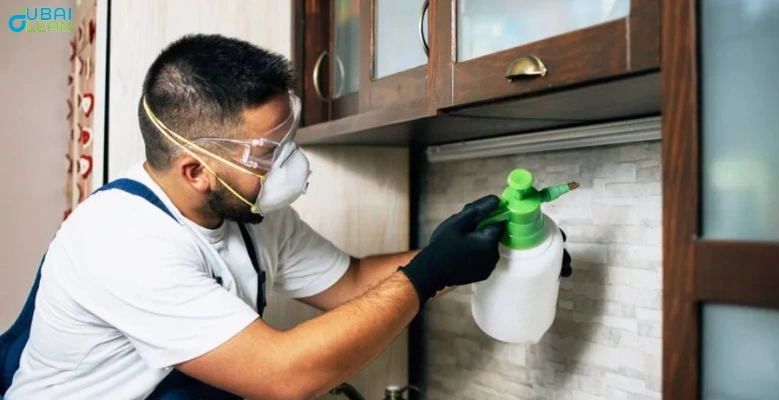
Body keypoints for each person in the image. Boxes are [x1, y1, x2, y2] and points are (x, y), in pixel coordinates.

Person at [4, 34, 571, 400]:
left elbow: (348, 284)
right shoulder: (122, 242)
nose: (292, 165)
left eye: (288, 139)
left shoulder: (247, 207)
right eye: (269, 154)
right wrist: (427, 276)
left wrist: (481, 252)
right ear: (196, 171)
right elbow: (281, 374)